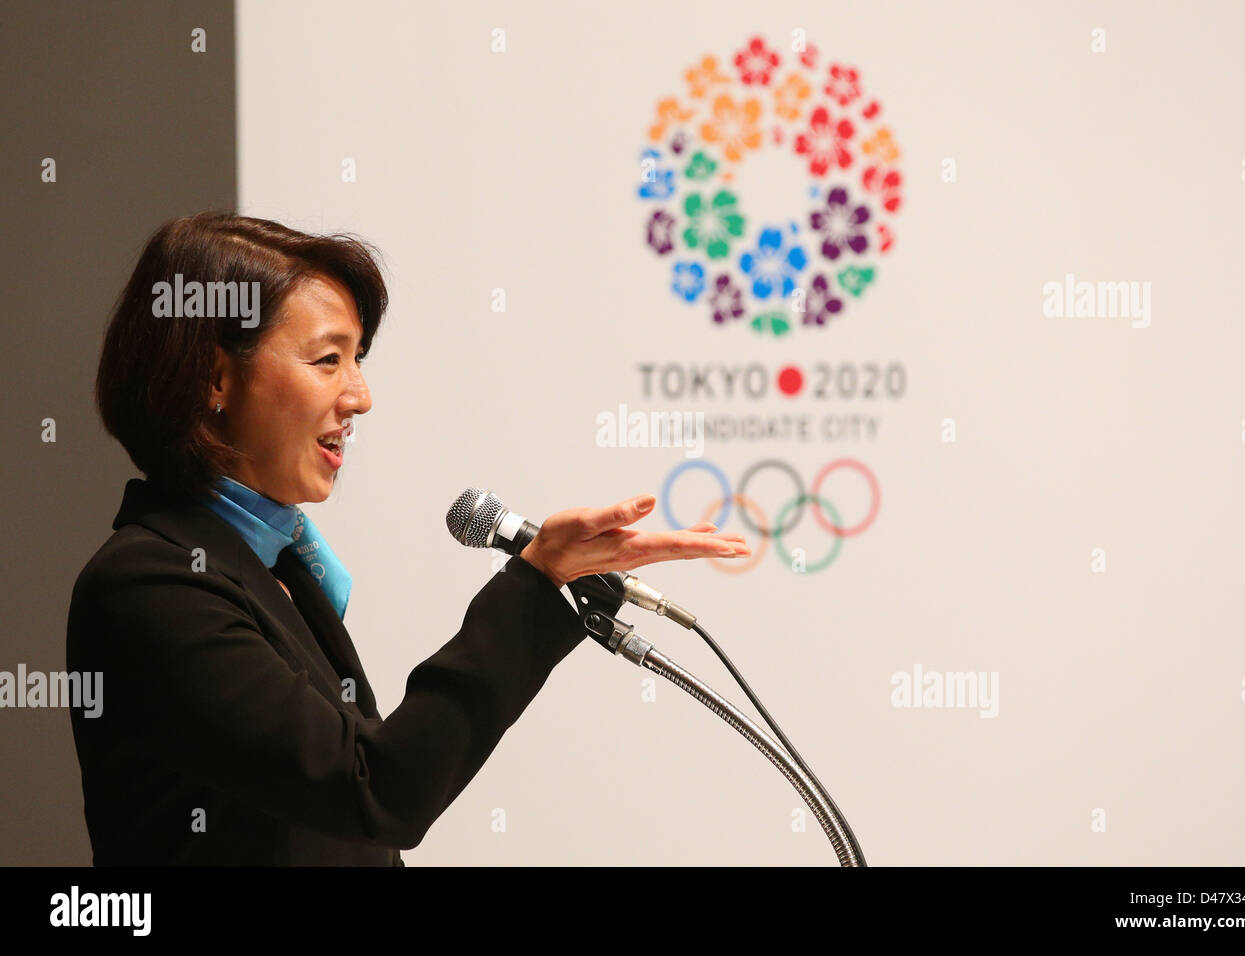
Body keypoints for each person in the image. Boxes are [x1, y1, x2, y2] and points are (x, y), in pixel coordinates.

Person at [67, 212, 750, 865]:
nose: (360, 395)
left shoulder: (279, 569)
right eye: (328, 359)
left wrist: (551, 581)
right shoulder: (151, 585)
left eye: (357, 359)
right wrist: (532, 588)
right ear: (216, 377)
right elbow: (372, 789)